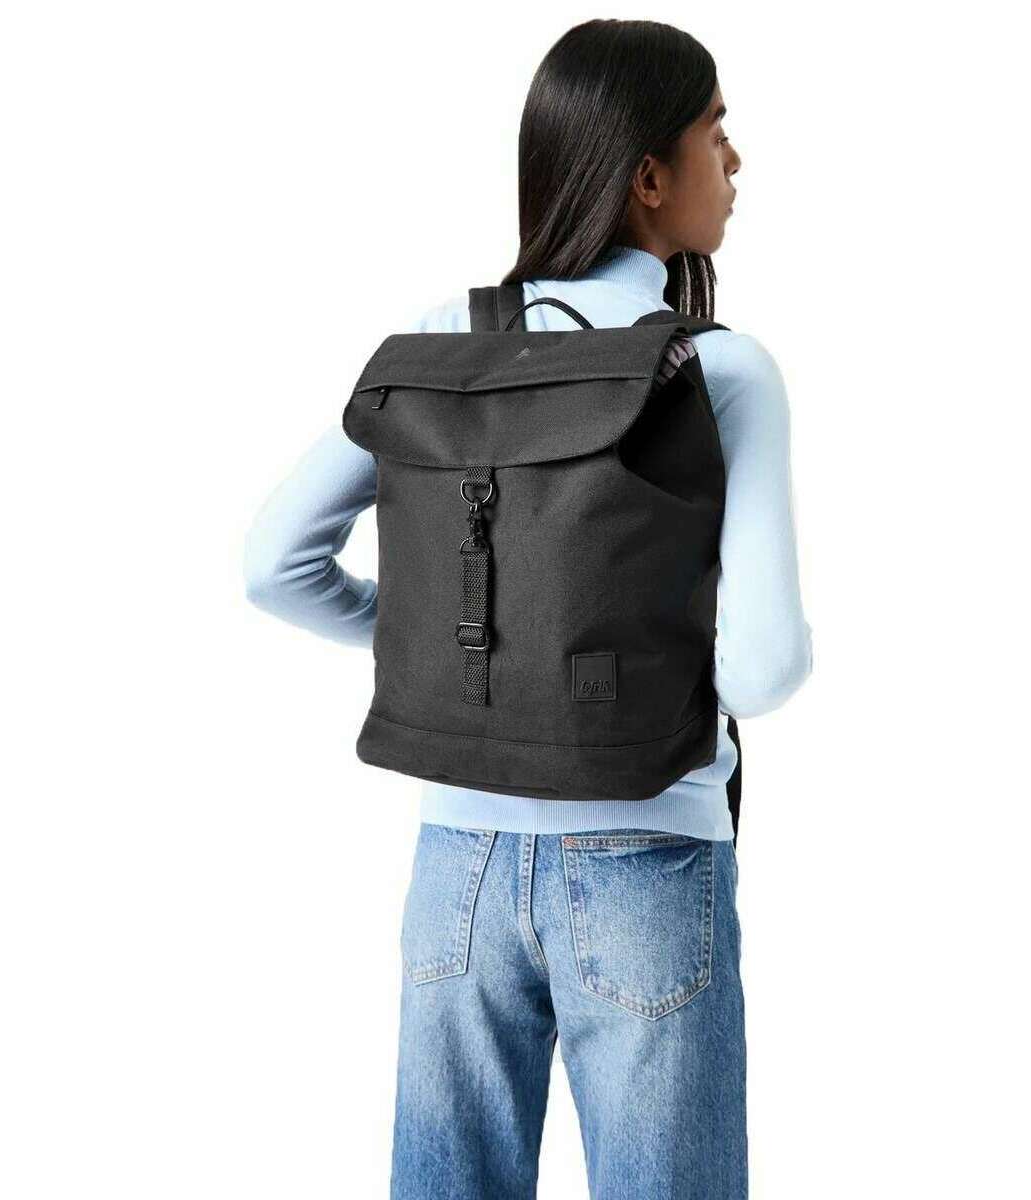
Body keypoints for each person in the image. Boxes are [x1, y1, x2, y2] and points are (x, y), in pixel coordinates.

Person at [243, 18, 812, 1200]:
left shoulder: (440, 343)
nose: (736, 160)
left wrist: (463, 656)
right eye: (715, 132)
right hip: (651, 854)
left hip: (455, 864)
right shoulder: (719, 369)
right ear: (648, 177)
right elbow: (763, 670)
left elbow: (276, 563)